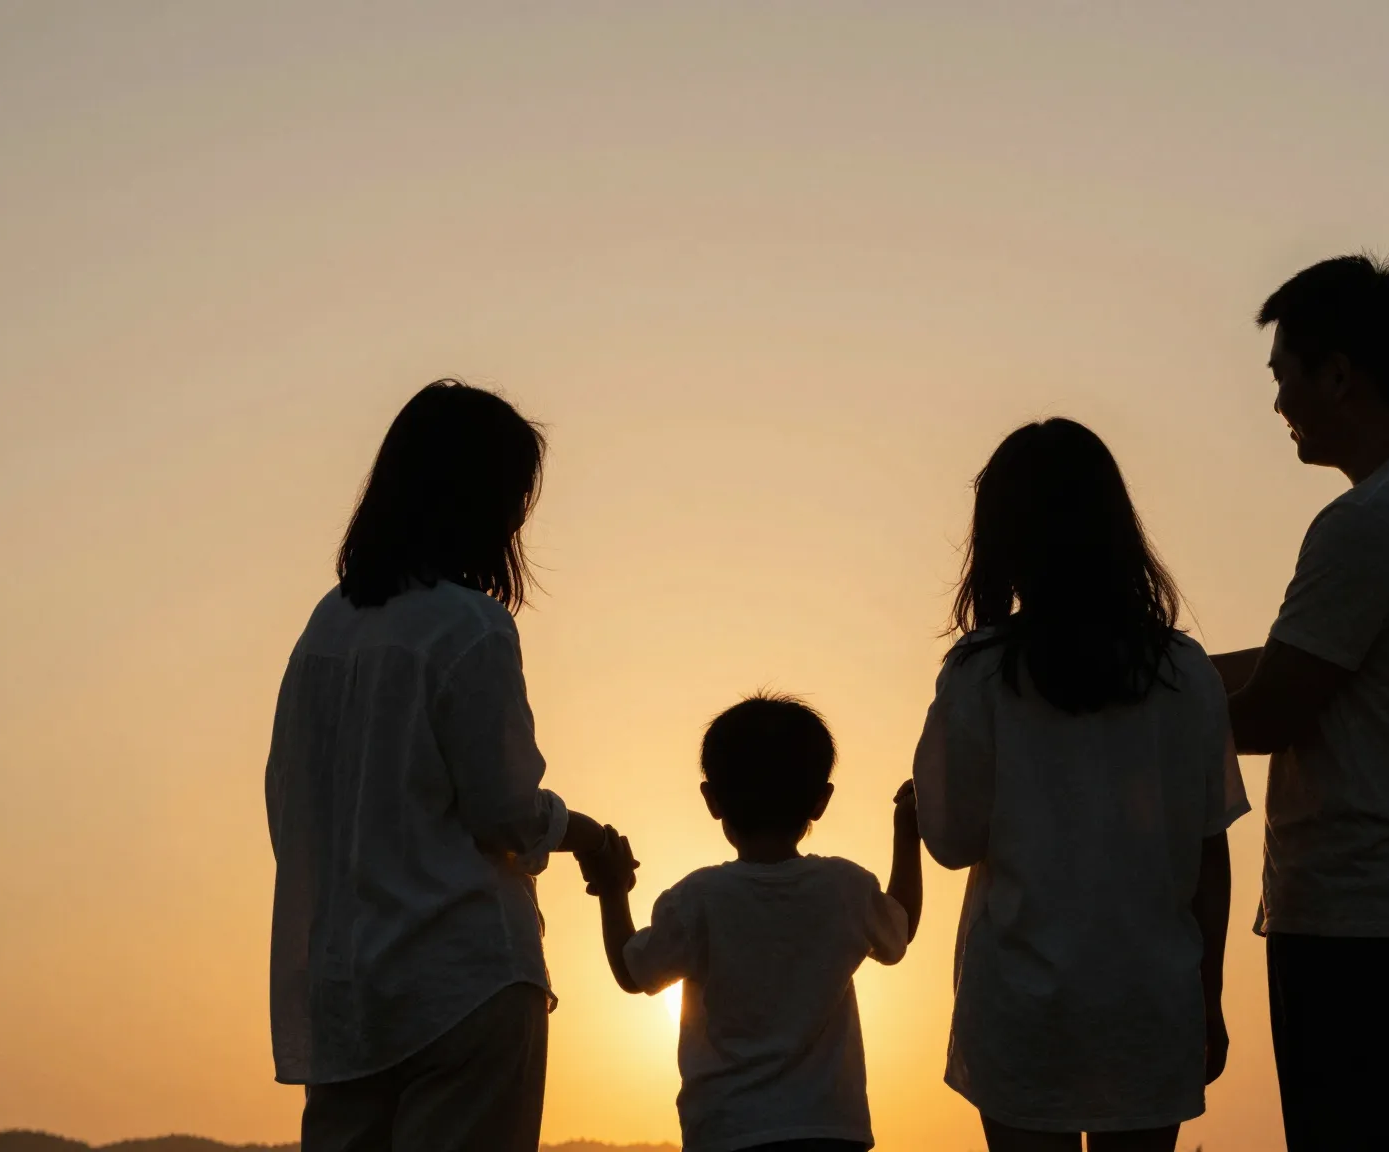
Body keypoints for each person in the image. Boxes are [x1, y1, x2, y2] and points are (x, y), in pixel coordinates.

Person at [264, 380, 616, 1152]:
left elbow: (289, 803)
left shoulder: (325, 629)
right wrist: (585, 835)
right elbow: (504, 811)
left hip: (348, 994)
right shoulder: (469, 626)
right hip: (464, 982)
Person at [1212, 255, 1389, 1151]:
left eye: (1284, 376)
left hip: (1357, 928)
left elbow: (1273, 709)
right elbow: (1305, 662)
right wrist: (1159, 669)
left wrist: (1116, 704)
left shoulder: (1372, 522)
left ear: (1337, 374)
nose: (1277, 403)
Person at [911, 418, 1251, 1152]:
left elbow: (950, 840)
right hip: (1150, 1007)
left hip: (1021, 1012)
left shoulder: (979, 673)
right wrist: (1211, 998)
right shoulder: (1187, 673)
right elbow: (1210, 854)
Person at [580, 693, 922, 1152]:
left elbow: (632, 971)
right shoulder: (846, 888)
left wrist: (612, 889)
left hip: (727, 1130)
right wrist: (907, 832)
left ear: (712, 799)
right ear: (821, 800)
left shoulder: (697, 899)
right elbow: (900, 929)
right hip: (830, 1128)